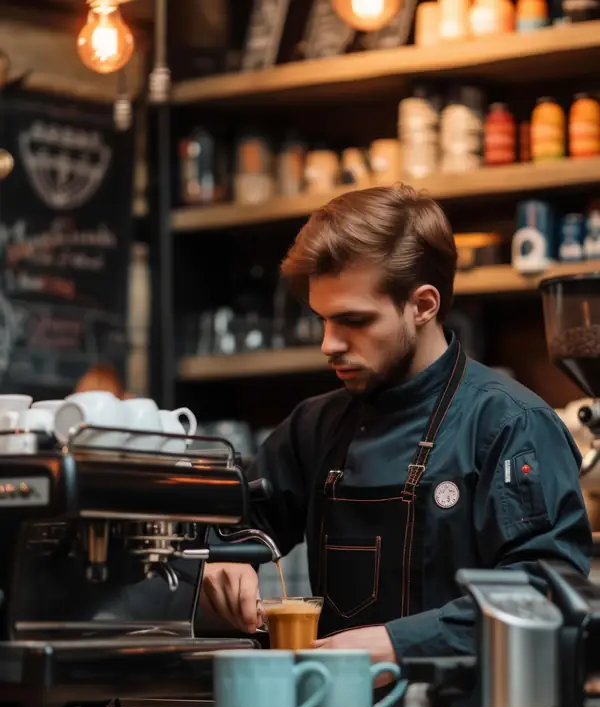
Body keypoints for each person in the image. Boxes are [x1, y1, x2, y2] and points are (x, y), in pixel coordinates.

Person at [198, 183, 592, 668]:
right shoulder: (315, 427)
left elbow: (546, 592)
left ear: (423, 305)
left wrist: (399, 644)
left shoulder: (512, 427)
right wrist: (225, 556)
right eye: (322, 319)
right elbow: (238, 519)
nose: (328, 344)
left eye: (353, 321)